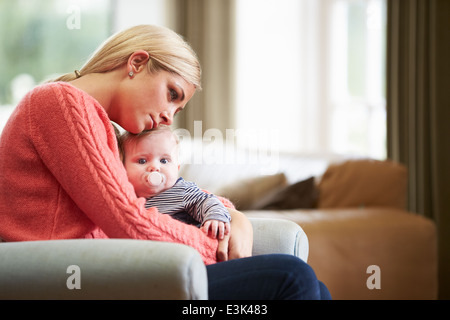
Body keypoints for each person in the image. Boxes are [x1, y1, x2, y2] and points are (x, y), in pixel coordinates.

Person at [0, 24, 331, 299]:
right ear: (137, 63)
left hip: (115, 273)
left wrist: (229, 215)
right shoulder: (60, 103)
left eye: (178, 108)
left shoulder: (102, 127)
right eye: (172, 94)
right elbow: (129, 221)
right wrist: (215, 244)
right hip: (79, 281)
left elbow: (164, 195)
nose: (168, 117)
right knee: (293, 278)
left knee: (316, 287)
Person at [119, 125, 231, 239]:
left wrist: (215, 217)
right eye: (142, 161)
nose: (155, 167)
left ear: (177, 168)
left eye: (164, 160)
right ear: (122, 167)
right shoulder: (125, 197)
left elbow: (207, 201)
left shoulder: (182, 191)